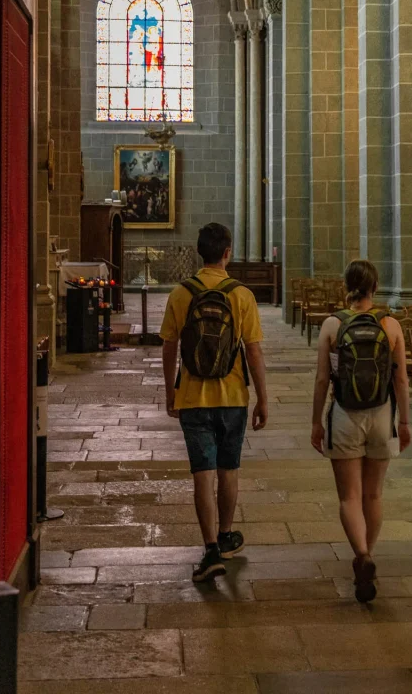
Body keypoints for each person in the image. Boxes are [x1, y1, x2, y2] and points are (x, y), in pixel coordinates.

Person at [161, 222, 268, 582]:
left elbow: (169, 344)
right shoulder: (242, 295)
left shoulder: (181, 293)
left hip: (192, 397)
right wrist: (263, 398)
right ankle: (225, 535)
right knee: (229, 469)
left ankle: (209, 550)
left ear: (198, 252)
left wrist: (169, 391)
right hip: (233, 396)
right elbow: (252, 351)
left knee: (202, 473)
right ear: (227, 253)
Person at [310, 260, 411, 603]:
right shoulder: (391, 325)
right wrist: (405, 422)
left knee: (349, 496)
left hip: (345, 414)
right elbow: (401, 380)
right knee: (374, 494)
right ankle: (369, 551)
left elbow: (323, 380)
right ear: (375, 286)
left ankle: (362, 555)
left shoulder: (331, 325)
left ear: (346, 285)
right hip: (382, 414)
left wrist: (315, 422)